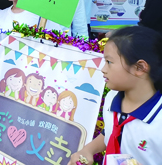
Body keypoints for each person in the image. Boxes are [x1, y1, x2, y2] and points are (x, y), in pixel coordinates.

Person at [69, 26, 162, 165]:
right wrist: (87, 150)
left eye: (109, 62)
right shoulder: (112, 97)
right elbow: (111, 132)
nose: (103, 69)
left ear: (140, 68)